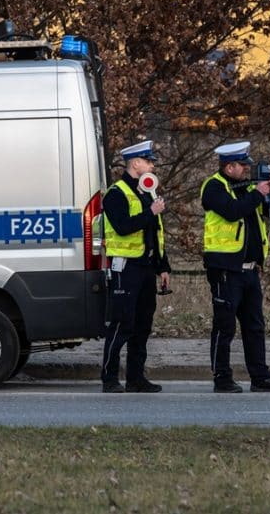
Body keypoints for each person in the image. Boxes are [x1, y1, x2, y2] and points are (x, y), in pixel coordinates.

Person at [201, 141, 270, 393]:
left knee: (255, 325)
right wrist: (257, 193)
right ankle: (222, 377)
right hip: (225, 269)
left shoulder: (247, 188)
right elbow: (232, 212)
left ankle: (260, 377)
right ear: (229, 167)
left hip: (250, 269)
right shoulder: (213, 187)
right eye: (242, 166)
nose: (246, 170)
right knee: (225, 325)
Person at [101, 140, 171, 393]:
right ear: (135, 163)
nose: (153, 165)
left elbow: (157, 233)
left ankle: (135, 378)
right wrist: (150, 212)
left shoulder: (148, 192)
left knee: (142, 325)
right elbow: (122, 226)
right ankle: (109, 378)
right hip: (124, 268)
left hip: (146, 268)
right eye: (149, 161)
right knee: (121, 324)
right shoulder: (116, 193)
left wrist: (163, 267)